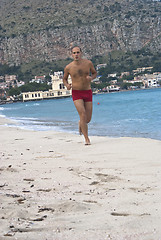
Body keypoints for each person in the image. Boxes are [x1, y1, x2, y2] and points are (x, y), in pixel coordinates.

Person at [63, 45, 97, 145]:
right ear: (71, 54)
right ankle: (87, 139)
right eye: (74, 53)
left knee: (88, 119)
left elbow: (94, 73)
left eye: (78, 52)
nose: (76, 54)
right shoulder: (68, 67)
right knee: (82, 114)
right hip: (76, 92)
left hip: (87, 91)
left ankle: (81, 123)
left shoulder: (88, 63)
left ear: (81, 53)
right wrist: (67, 85)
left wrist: (91, 78)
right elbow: (64, 79)